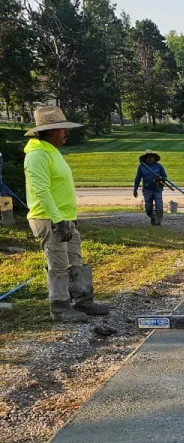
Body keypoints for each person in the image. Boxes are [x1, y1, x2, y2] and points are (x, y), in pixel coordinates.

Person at [23, 106, 110, 321]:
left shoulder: (52, 152)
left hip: (64, 217)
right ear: (50, 131)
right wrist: (58, 219)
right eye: (62, 129)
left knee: (74, 258)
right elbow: (41, 191)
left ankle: (83, 301)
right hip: (49, 218)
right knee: (59, 263)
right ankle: (60, 307)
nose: (66, 133)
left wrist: (68, 218)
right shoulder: (37, 155)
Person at [133, 149, 168, 225]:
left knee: (159, 207)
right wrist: (135, 189)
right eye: (148, 157)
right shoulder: (141, 167)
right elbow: (138, 178)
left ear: (154, 158)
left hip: (157, 189)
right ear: (145, 158)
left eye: (151, 157)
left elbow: (165, 177)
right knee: (148, 209)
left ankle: (158, 222)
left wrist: (160, 179)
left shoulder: (159, 166)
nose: (150, 158)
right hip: (147, 190)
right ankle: (153, 218)